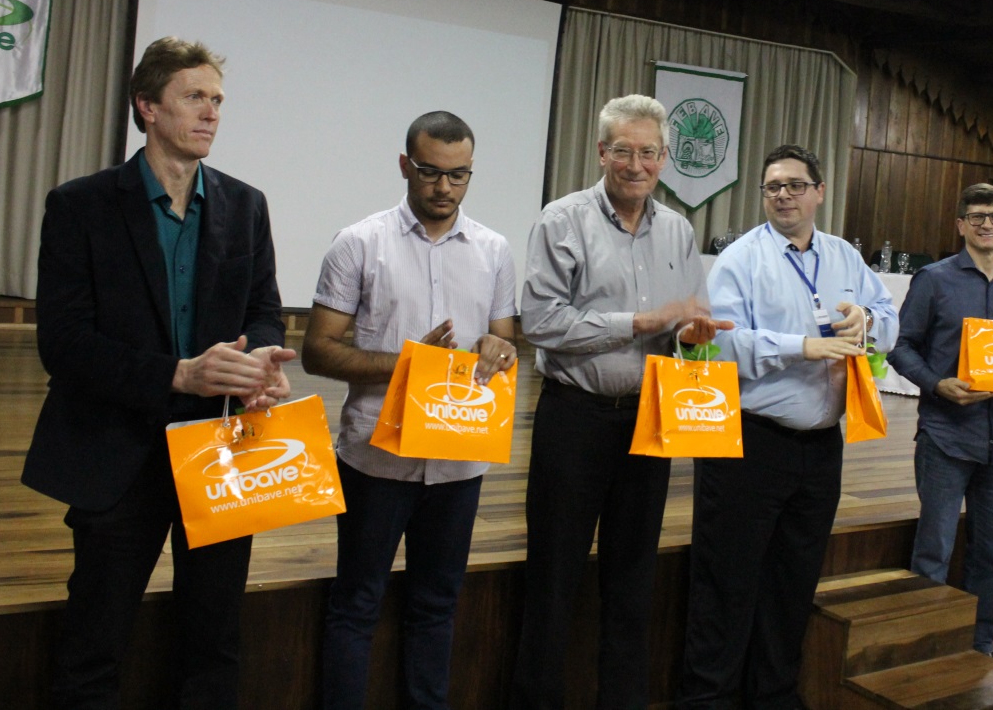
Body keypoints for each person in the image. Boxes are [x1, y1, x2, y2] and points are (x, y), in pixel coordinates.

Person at [22, 36, 294, 708]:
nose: (211, 112)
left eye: (217, 99)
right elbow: (64, 343)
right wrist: (178, 375)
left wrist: (260, 360)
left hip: (221, 448)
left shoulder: (246, 204)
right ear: (147, 105)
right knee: (95, 642)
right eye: (193, 96)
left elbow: (264, 311)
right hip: (118, 448)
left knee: (214, 641)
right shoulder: (80, 205)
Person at [511, 94, 726, 710]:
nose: (637, 165)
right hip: (574, 418)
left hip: (649, 422)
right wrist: (639, 322)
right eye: (624, 151)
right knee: (554, 578)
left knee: (634, 582)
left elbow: (688, 326)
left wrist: (692, 336)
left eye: (649, 153)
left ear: (664, 159)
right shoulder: (562, 220)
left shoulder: (678, 230)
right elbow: (541, 322)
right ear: (602, 152)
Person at [303, 111, 517, 710]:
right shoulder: (359, 242)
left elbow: (503, 342)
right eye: (429, 172)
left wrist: (499, 348)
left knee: (437, 605)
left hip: (459, 461)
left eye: (458, 175)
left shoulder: (495, 250)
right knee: (357, 603)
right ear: (405, 166)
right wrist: (410, 363)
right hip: (376, 458)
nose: (444, 187)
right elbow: (317, 351)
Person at [679, 144, 898, 708]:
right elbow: (722, 344)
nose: (784, 195)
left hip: (822, 445)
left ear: (819, 192)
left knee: (793, 582)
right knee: (726, 583)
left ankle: (773, 696)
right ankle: (709, 700)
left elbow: (888, 318)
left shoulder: (845, 256)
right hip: (751, 443)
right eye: (773, 186)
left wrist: (867, 320)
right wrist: (802, 346)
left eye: (796, 185)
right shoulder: (740, 259)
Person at [889, 183, 993, 656]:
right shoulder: (933, 279)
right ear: (960, 224)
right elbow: (900, 347)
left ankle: (980, 647)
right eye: (977, 216)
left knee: (991, 554)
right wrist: (936, 383)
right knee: (933, 552)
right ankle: (926, 651)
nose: (987, 224)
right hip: (944, 437)